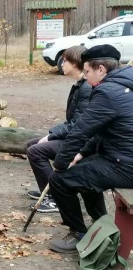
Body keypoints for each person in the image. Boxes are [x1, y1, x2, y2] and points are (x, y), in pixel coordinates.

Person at [48, 45, 133, 254]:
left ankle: (78, 234)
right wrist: (81, 154)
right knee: (85, 170)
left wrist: (60, 164)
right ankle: (100, 224)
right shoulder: (125, 84)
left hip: (125, 165)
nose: (85, 77)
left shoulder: (108, 92)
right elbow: (102, 130)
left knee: (59, 181)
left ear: (101, 69)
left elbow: (80, 131)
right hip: (122, 157)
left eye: (87, 72)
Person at [25, 46, 92, 213]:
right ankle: (47, 192)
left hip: (83, 143)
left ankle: (55, 197)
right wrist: (51, 133)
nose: (62, 63)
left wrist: (50, 136)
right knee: (32, 145)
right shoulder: (80, 85)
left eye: (66, 60)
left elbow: (77, 125)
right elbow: (72, 120)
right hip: (75, 136)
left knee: (36, 151)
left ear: (76, 63)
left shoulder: (86, 88)